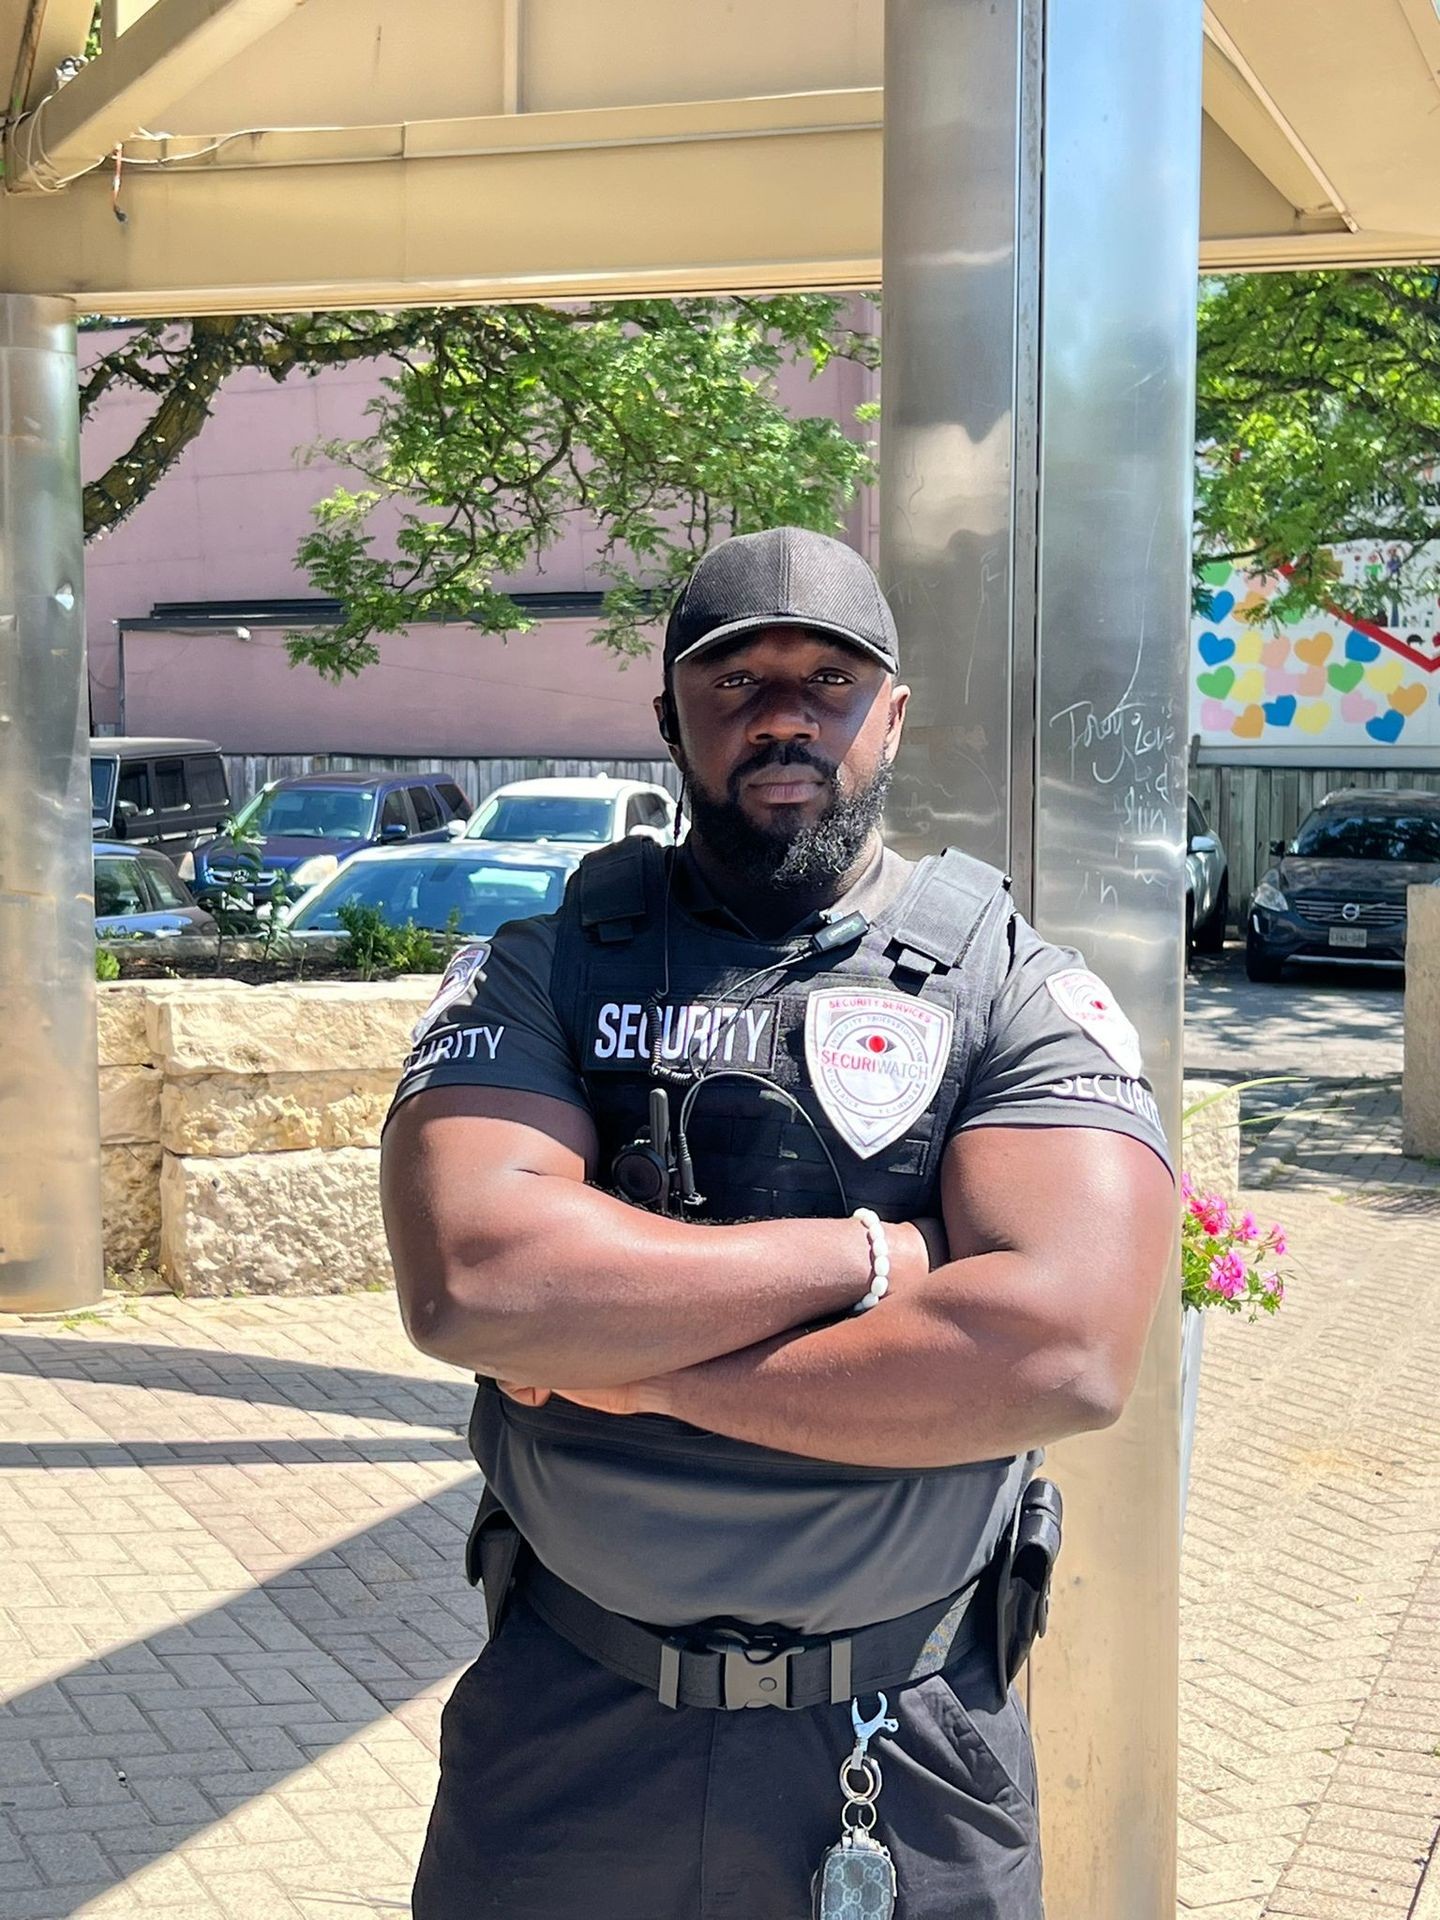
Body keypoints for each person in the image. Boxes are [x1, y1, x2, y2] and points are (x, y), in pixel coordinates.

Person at [381, 526, 1176, 1920]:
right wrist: (877, 1258)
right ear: (670, 719)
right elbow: (478, 1278)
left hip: (902, 1745)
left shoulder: (997, 976)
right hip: (569, 1725)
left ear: (892, 711)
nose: (784, 712)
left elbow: (1062, 1349)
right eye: (734, 679)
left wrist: (640, 1362)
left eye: (829, 676)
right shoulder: (551, 962)